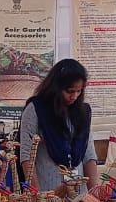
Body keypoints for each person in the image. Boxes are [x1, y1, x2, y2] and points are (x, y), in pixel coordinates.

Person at [18, 59, 100, 194]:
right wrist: (36, 195)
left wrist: (96, 195)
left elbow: (89, 156)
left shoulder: (83, 112)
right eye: (69, 91)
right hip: (47, 193)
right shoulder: (36, 109)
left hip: (79, 195)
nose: (74, 96)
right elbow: (26, 157)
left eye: (79, 91)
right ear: (56, 88)